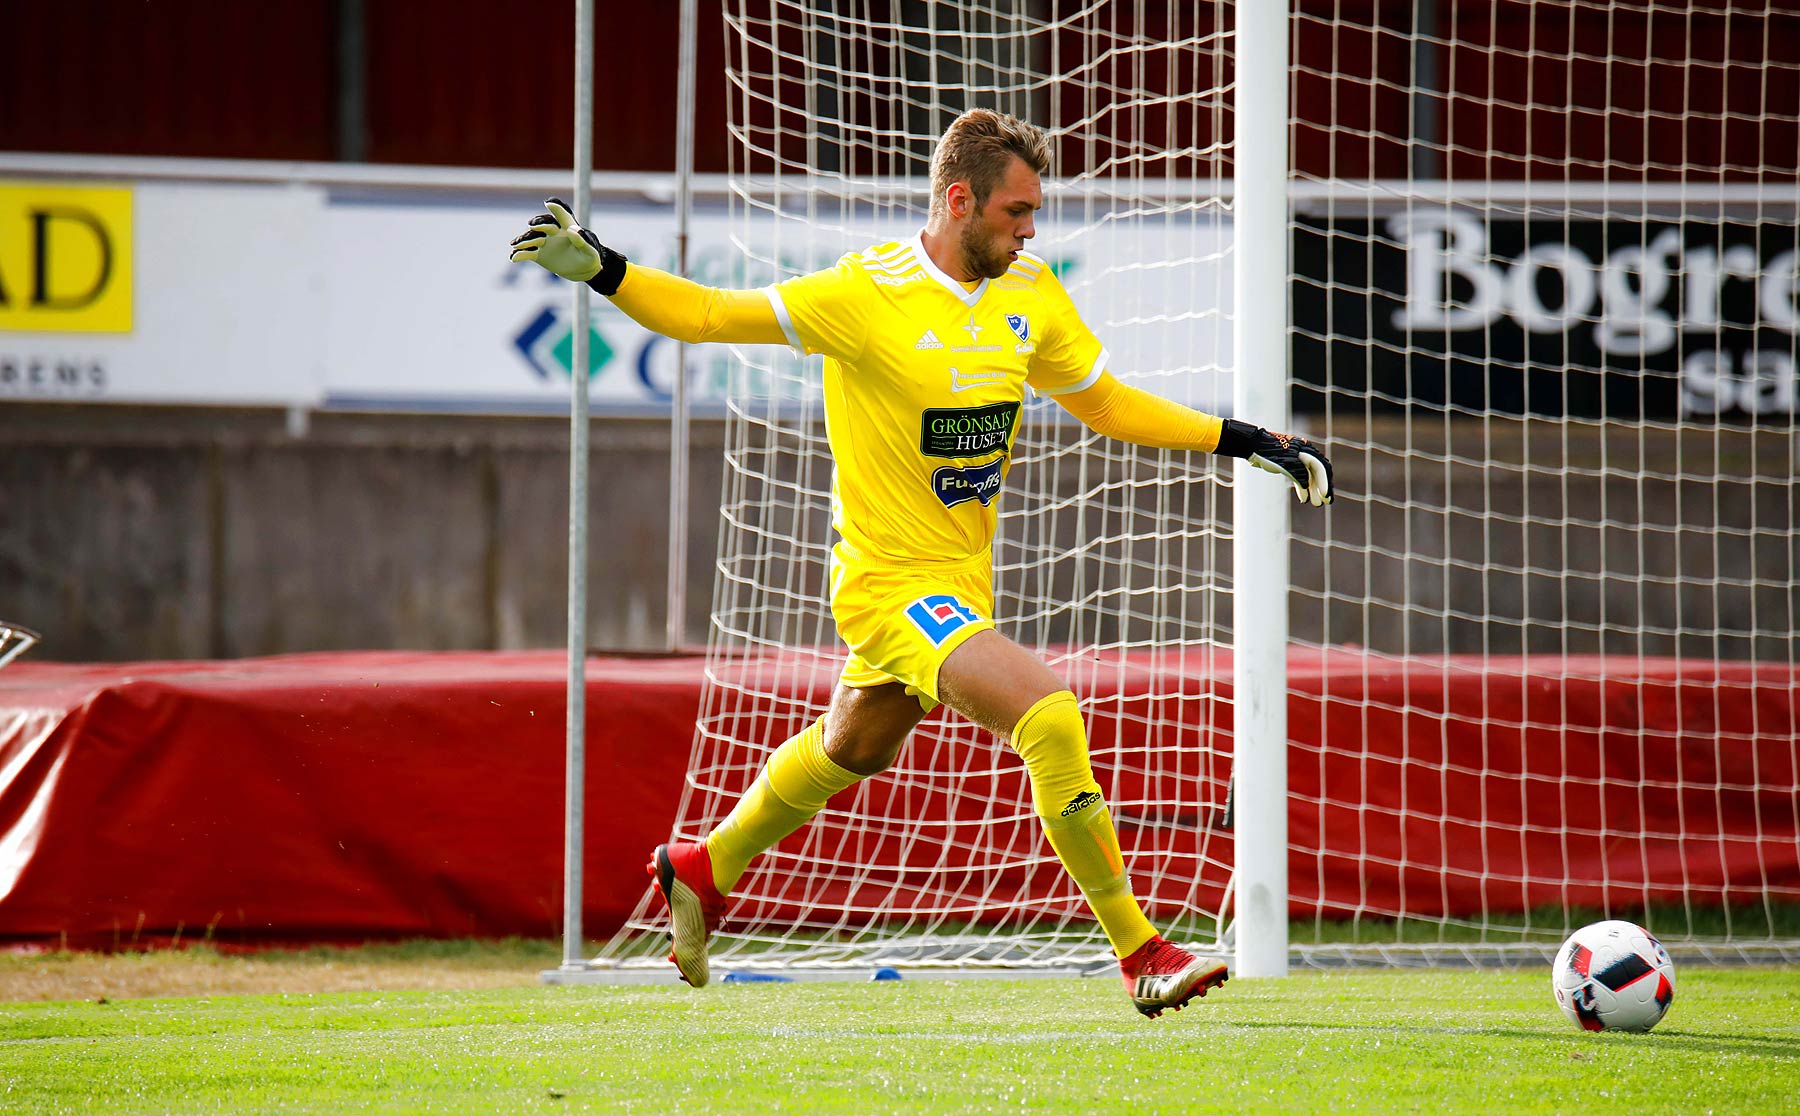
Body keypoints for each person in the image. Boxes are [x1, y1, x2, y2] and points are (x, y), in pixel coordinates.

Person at [509, 109, 1332, 1018]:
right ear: (958, 199)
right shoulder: (865, 294)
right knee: (1049, 716)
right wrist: (606, 272)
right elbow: (710, 315)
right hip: (887, 588)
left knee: (854, 744)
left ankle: (707, 863)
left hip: (959, 582)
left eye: (1035, 213)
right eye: (1017, 211)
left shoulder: (1032, 293)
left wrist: (1243, 439)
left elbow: (1102, 403)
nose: (1031, 229)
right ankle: (1139, 950)